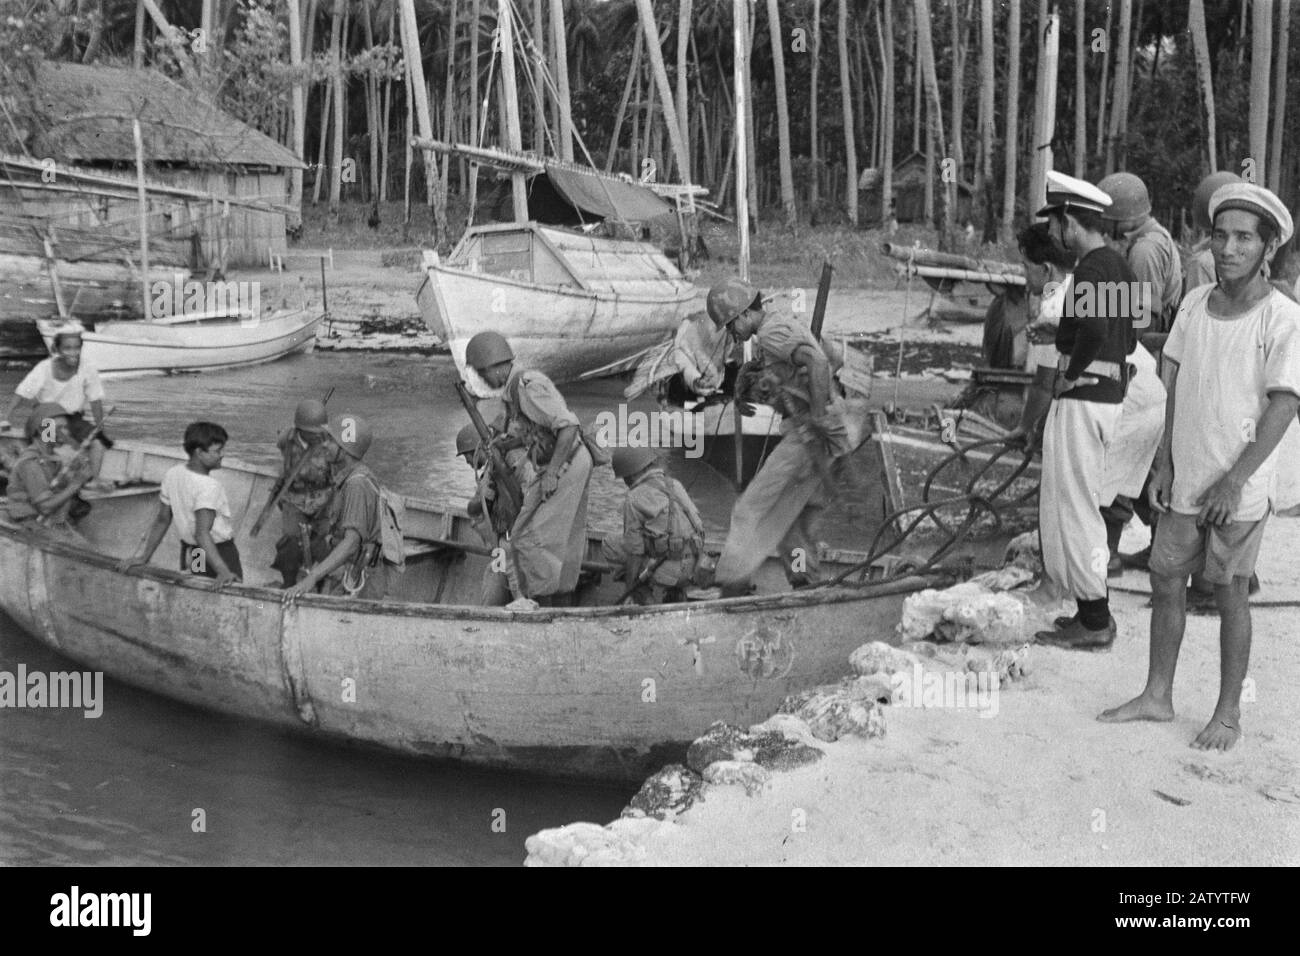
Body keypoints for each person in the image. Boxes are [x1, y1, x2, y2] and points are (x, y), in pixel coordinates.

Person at [1099, 182, 1300, 751]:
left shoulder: (1282, 318)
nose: (1230, 249)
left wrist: (1235, 481)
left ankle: (1229, 713)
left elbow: (1284, 404)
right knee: (1166, 581)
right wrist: (1160, 464)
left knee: (1230, 590)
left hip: (1239, 485)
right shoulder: (1194, 303)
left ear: (1269, 249)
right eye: (1221, 236)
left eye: (1244, 238)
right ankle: (1157, 694)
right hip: (1185, 478)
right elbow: (1174, 380)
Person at [1010, 171, 1139, 651]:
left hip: (1084, 396)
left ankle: (1095, 618)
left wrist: (1069, 370)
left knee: (1075, 506)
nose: (1055, 235)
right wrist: (1063, 333)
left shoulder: (1088, 268)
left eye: (1057, 224)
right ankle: (1088, 610)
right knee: (1082, 501)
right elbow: (1127, 330)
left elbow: (1098, 331)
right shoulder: (1118, 264)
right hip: (1108, 395)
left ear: (1069, 223)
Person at [709, 277, 850, 596]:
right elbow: (832, 358)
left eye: (731, 327)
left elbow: (818, 362)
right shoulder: (782, 321)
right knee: (787, 520)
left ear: (743, 315)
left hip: (807, 434)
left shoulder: (771, 332)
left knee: (748, 509)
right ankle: (805, 583)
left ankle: (732, 585)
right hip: (824, 430)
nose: (732, 335)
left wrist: (814, 418)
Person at [464, 331, 594, 607]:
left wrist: (552, 474)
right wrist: (504, 442)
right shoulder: (513, 392)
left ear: (495, 368)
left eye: (481, 373)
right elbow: (534, 431)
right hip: (562, 461)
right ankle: (554, 601)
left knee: (531, 537)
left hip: (567, 463)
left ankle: (539, 605)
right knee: (541, 538)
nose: (482, 379)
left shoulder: (527, 386)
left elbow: (568, 426)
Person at [284, 413, 394, 602]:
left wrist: (312, 577)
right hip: (348, 572)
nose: (325, 445)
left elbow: (351, 544)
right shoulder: (353, 476)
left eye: (331, 441)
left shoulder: (356, 484)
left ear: (345, 448)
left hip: (356, 578)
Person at [118, 421, 243, 587]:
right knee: (232, 593)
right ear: (199, 452)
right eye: (217, 450)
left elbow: (163, 519)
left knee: (197, 589)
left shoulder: (173, 473)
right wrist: (223, 571)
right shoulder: (210, 486)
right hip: (219, 553)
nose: (222, 455)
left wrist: (144, 557)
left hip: (195, 552)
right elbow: (202, 533)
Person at [4, 323, 113, 491]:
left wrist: (99, 427)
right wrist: (5, 418)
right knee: (50, 446)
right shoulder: (44, 368)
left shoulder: (87, 368)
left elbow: (95, 398)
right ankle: (47, 482)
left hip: (73, 418)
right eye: (67, 348)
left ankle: (94, 481)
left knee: (98, 443)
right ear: (57, 349)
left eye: (77, 348)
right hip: (45, 418)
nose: (73, 353)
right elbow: (22, 392)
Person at [600, 446, 705, 605]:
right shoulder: (675, 485)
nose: (625, 482)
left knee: (610, 543)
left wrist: (630, 589)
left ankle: (647, 602)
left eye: (624, 477)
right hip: (695, 568)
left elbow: (634, 553)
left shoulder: (634, 497)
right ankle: (675, 595)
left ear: (631, 473)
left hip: (669, 572)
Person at [457, 421, 531, 605]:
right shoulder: (492, 469)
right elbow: (477, 508)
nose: (468, 462)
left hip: (516, 545)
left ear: (477, 449)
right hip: (501, 546)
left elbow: (531, 497)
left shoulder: (514, 460)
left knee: (519, 596)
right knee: (492, 594)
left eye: (467, 455)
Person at [4, 402, 95, 541]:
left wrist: (77, 475)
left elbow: (58, 489)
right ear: (42, 430)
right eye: (58, 428)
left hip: (51, 520)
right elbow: (45, 507)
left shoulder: (50, 459)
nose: (64, 433)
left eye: (65, 428)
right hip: (30, 524)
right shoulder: (31, 463)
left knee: (85, 545)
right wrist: (76, 483)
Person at [269, 399, 335, 587]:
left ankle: (322, 583)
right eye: (310, 432)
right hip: (294, 500)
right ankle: (288, 583)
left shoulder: (330, 442)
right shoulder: (286, 439)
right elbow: (281, 436)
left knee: (322, 543)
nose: (315, 435)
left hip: (323, 501)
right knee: (290, 541)